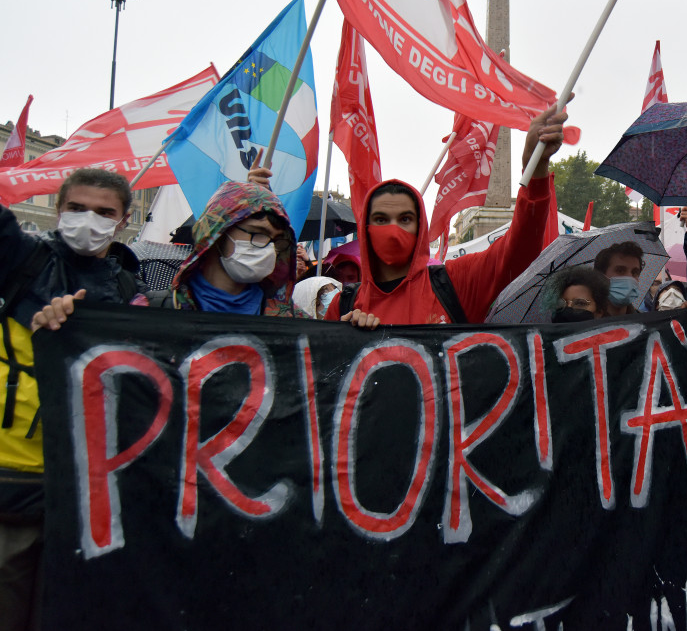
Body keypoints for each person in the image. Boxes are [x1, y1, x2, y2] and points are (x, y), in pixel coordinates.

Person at [1, 168, 145, 631]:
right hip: (10, 483)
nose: (89, 220)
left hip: (88, 498)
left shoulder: (133, 294)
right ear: (57, 208)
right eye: (77, 208)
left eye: (104, 213)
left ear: (123, 221)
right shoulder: (18, 259)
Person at [326, 106, 566, 327]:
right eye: (380, 220)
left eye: (405, 219)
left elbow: (518, 249)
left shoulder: (455, 283)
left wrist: (535, 166)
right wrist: (344, 340)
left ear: (420, 229)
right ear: (365, 229)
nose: (392, 229)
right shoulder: (342, 306)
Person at [159, 180, 304, 317]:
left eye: (277, 240)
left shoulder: (293, 320)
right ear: (218, 232)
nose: (269, 249)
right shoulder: (156, 310)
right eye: (259, 233)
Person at [593, 240, 645, 316]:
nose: (629, 277)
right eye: (620, 271)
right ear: (600, 277)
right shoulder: (583, 323)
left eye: (634, 272)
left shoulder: (645, 322)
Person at [542, 266, 610, 322]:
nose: (568, 308)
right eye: (561, 303)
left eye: (580, 303)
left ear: (599, 312)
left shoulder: (617, 337)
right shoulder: (541, 337)